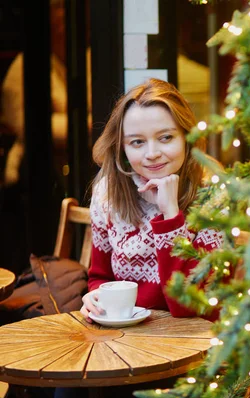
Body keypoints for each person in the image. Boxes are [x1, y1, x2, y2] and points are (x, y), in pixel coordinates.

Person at [80, 78, 223, 322]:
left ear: (187, 138)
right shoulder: (108, 194)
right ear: (122, 149)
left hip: (193, 344)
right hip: (127, 339)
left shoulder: (213, 196)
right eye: (137, 142)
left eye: (166, 137)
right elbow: (100, 277)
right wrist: (93, 297)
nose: (152, 153)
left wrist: (170, 216)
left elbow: (191, 306)